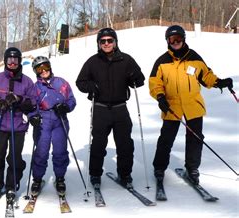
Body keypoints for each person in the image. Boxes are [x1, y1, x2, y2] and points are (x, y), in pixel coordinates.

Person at [149, 25, 233, 185]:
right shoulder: (162, 61)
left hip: (193, 105)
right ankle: (159, 168)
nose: (175, 42)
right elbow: (154, 83)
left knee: (195, 138)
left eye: (178, 39)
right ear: (167, 41)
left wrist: (219, 82)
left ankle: (192, 169)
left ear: (183, 39)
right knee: (166, 139)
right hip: (171, 106)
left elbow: (206, 76)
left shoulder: (194, 57)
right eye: (172, 39)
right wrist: (160, 97)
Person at [75, 28, 145, 189]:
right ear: (99, 44)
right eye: (103, 41)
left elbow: (140, 79)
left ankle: (125, 174)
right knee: (98, 144)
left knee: (125, 144)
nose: (106, 43)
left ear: (115, 42)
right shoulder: (92, 62)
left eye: (109, 40)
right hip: (100, 109)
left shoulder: (126, 60)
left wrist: (135, 78)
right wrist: (91, 86)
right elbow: (80, 82)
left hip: (120, 108)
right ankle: (95, 174)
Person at [0, 47, 37, 205]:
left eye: (15, 60)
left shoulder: (26, 81)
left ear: (19, 62)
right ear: (5, 61)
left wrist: (19, 99)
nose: (12, 63)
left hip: (17, 125)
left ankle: (12, 185)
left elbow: (33, 102)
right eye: (9, 60)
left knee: (14, 158)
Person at [28, 56, 77, 195]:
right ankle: (37, 179)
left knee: (60, 150)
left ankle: (60, 178)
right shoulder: (35, 87)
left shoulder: (61, 83)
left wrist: (65, 107)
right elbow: (30, 105)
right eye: (39, 69)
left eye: (45, 67)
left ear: (50, 66)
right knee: (41, 151)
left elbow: (72, 100)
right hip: (43, 121)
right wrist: (33, 116)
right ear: (36, 72)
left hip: (59, 120)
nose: (43, 71)